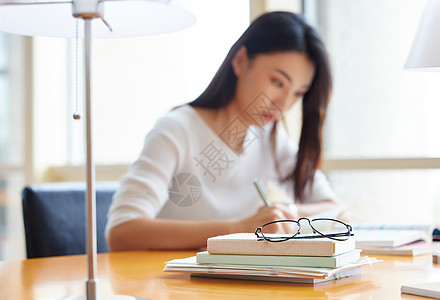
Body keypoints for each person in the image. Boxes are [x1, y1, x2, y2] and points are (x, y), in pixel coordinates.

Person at [106, 11, 344, 251]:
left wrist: (287, 213)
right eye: (278, 82)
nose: (284, 104)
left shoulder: (268, 137)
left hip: (241, 280)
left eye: (298, 93)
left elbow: (335, 209)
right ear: (240, 61)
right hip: (174, 282)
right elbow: (122, 232)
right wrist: (241, 227)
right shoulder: (177, 130)